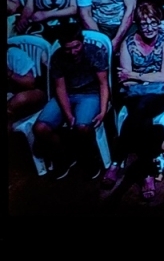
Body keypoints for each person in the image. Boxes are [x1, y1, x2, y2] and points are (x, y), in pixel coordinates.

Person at [109, 2, 164, 199]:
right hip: (137, 93)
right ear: (137, 24)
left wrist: (136, 74)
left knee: (139, 111)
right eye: (144, 24)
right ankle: (148, 172)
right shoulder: (128, 43)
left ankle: (116, 160)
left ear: (159, 22)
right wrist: (145, 77)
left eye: (153, 23)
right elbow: (126, 81)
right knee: (142, 118)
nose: (149, 28)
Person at [30, 21, 111, 179]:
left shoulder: (95, 52)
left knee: (82, 127)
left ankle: (89, 158)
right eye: (68, 49)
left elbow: (103, 83)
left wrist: (102, 111)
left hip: (90, 94)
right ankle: (63, 156)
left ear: (82, 42)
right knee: (40, 128)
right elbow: (60, 88)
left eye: (76, 47)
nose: (73, 52)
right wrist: (68, 114)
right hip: (68, 93)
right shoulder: (58, 58)